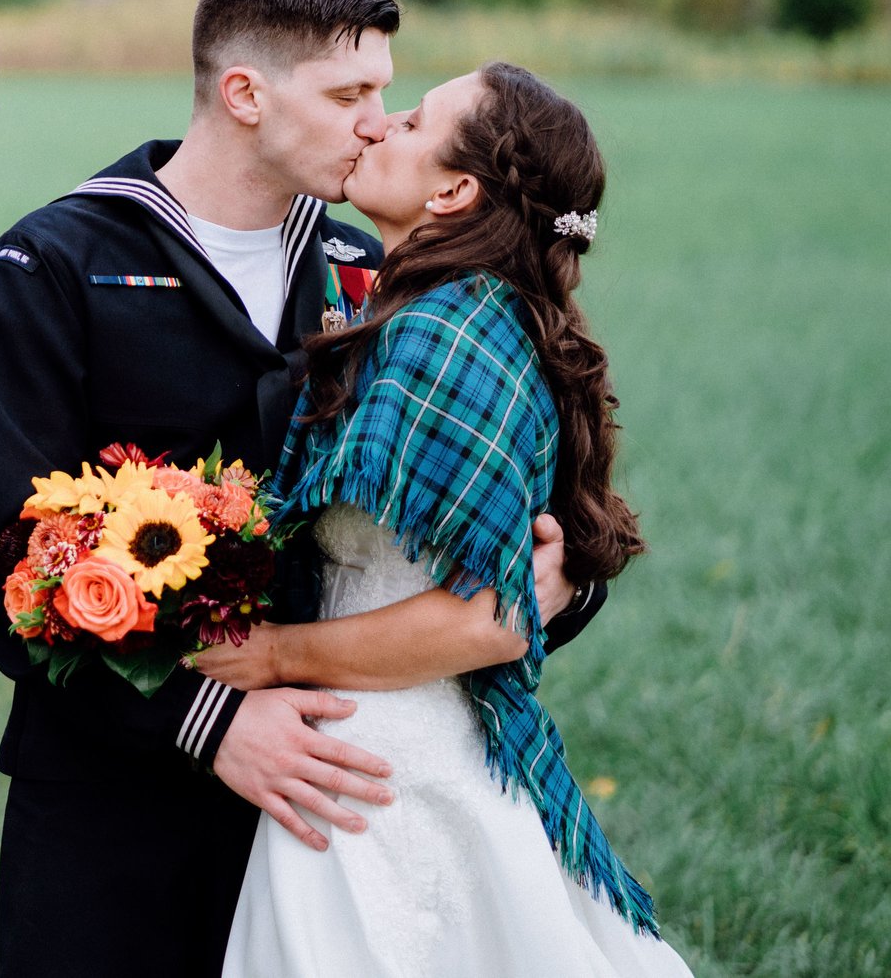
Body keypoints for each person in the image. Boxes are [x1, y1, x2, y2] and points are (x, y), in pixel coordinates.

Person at [0, 0, 607, 978]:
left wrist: (556, 581)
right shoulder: (51, 269)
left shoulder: (383, 276)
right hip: (112, 811)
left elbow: (496, 505)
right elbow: (9, 570)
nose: (374, 121)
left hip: (341, 805)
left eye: (386, 94)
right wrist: (209, 722)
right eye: (349, 91)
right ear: (245, 93)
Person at [200, 61, 691, 977]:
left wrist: (269, 654)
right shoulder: (451, 310)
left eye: (415, 119)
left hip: (378, 761)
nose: (380, 125)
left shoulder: (446, 332)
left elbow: (489, 619)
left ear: (456, 188)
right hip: (389, 739)